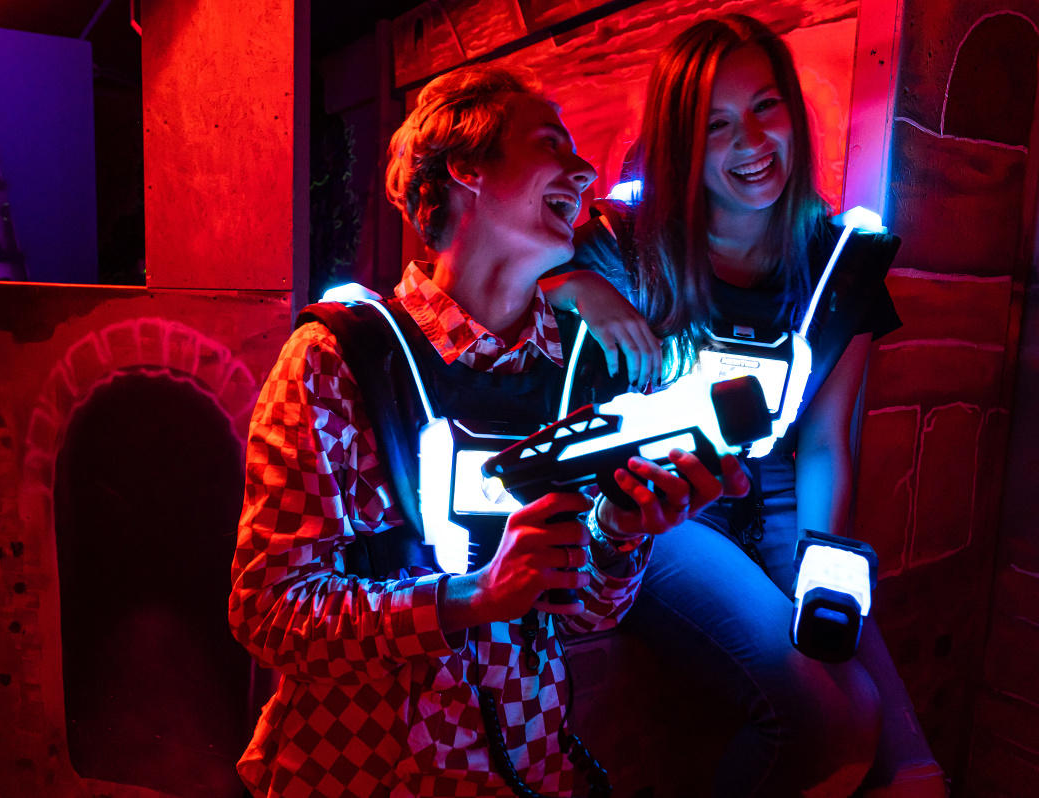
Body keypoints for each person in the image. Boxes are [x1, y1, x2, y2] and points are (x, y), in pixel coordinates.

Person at [228, 65, 749, 798]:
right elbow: (268, 612)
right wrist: (469, 598)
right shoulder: (337, 358)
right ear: (467, 168)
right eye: (550, 144)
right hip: (358, 777)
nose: (585, 171)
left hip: (527, 775)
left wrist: (621, 533)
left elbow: (588, 616)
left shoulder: (582, 372)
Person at [544, 14, 946, 797]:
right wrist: (575, 284)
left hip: (785, 497)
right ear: (681, 144)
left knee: (910, 773)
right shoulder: (623, 245)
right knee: (832, 715)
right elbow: (511, 278)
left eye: (766, 107)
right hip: (666, 509)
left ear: (794, 110)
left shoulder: (840, 263)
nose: (751, 143)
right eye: (716, 125)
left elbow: (825, 443)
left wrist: (820, 569)